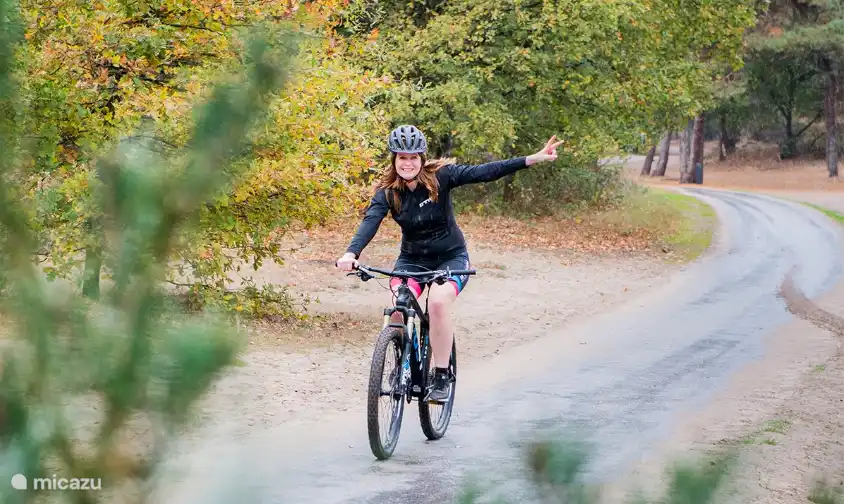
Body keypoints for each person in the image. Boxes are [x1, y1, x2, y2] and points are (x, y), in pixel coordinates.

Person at [336, 125, 563, 402]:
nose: (408, 163)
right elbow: (370, 221)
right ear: (394, 161)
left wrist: (532, 158)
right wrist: (352, 253)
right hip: (412, 260)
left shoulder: (442, 177)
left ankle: (442, 375)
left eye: (413, 158)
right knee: (398, 305)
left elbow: (485, 172)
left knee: (438, 304)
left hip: (450, 257)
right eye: (402, 158)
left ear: (422, 158)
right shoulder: (387, 192)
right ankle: (400, 365)